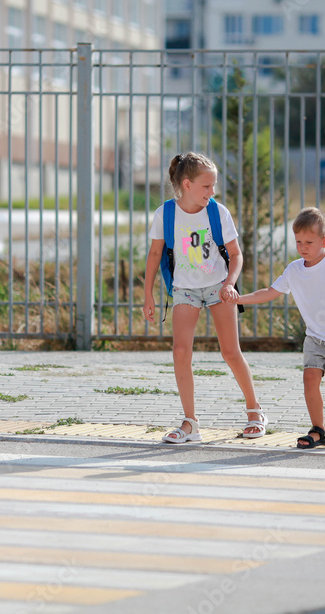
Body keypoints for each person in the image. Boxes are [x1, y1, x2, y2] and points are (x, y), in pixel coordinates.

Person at [226, 206, 325, 448]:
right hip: (314, 337)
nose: (303, 247)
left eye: (309, 242)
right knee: (309, 378)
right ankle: (318, 430)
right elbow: (271, 292)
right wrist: (240, 298)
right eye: (298, 241)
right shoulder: (294, 269)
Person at [142, 152, 266, 443]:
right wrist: (148, 294)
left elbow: (235, 255)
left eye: (214, 187)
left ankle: (255, 412)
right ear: (187, 184)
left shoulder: (218, 212)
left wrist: (230, 283)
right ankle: (190, 422)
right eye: (207, 186)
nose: (212, 192)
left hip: (218, 287)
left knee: (230, 352)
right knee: (181, 353)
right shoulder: (166, 214)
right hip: (184, 289)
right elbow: (154, 254)